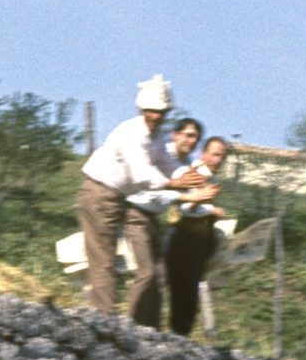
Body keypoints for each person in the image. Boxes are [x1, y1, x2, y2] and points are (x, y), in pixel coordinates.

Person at [76, 75, 208, 322]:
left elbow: (165, 162)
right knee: (103, 258)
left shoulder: (156, 136)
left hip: (115, 196)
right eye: (152, 111)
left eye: (161, 111)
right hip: (100, 192)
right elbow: (142, 171)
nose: (156, 116)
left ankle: (105, 317)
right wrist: (175, 183)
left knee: (106, 257)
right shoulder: (132, 133)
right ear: (142, 109)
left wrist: (189, 177)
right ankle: (102, 318)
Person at [158, 133, 233, 337]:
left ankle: (180, 336)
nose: (218, 160)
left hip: (200, 234)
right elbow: (181, 207)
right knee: (183, 289)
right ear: (204, 153)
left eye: (222, 156)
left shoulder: (210, 176)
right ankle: (176, 335)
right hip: (188, 233)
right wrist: (209, 208)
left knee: (190, 289)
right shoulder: (193, 172)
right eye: (215, 155)